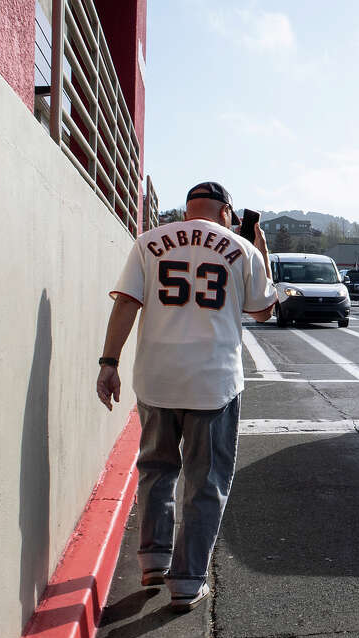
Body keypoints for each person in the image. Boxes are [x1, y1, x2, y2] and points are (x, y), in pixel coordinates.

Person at [96, 181, 277, 609]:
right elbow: (263, 309)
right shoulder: (242, 249)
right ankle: (187, 581)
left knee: (157, 470)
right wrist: (261, 248)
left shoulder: (149, 242)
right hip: (214, 384)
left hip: (156, 380)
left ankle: (154, 560)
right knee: (205, 482)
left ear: (185, 210)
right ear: (227, 213)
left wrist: (108, 362)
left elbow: (126, 302)